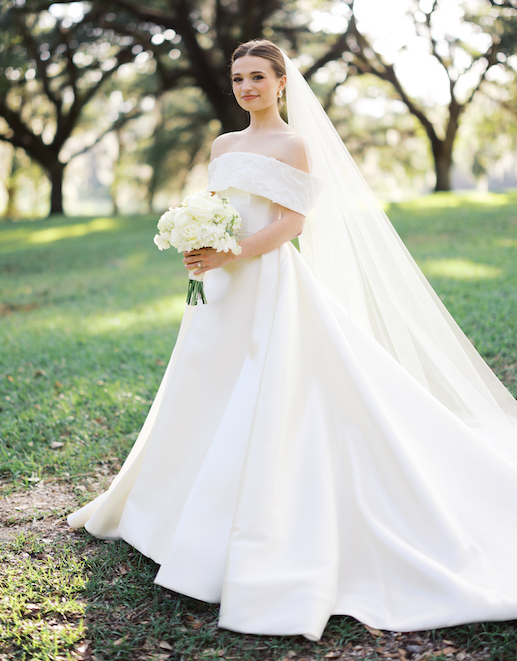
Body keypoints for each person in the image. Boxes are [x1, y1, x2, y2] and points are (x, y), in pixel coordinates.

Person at [69, 40, 517, 642]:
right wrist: (197, 240)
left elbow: (288, 224)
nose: (247, 87)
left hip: (266, 282)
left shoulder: (293, 144)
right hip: (219, 289)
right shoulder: (223, 145)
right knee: (204, 386)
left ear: (281, 83)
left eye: (258, 77)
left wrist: (228, 251)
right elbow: (220, 207)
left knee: (273, 388)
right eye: (238, 78)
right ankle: (173, 509)